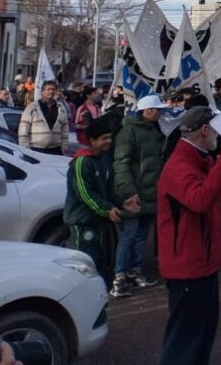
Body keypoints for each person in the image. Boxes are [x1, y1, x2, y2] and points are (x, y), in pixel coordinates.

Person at [157, 107, 221, 365]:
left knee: (200, 340)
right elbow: (200, 200)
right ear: (205, 130)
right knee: (184, 344)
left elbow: (213, 200)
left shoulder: (197, 160)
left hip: (201, 264)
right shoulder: (179, 166)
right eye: (217, 128)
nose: (220, 136)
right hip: (188, 268)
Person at [65, 113, 141, 292]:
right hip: (83, 222)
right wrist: (107, 209)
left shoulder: (105, 160)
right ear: (92, 140)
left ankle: (100, 295)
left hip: (100, 221)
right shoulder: (82, 162)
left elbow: (109, 190)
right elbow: (85, 194)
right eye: (104, 138)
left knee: (102, 261)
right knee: (86, 262)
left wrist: (123, 203)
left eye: (109, 137)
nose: (108, 141)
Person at [112, 94, 166, 297]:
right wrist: (129, 191)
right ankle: (120, 275)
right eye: (158, 109)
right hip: (135, 193)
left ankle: (135, 271)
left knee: (142, 235)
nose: (161, 113)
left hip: (150, 193)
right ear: (148, 111)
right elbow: (122, 163)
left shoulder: (154, 131)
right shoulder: (129, 132)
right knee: (129, 235)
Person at [18, 80, 68, 154]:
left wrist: (64, 147)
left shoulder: (61, 108)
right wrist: (26, 150)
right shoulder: (32, 107)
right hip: (36, 149)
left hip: (55, 150)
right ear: (42, 91)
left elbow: (65, 129)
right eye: (48, 89)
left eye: (53, 89)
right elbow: (23, 130)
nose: (51, 91)